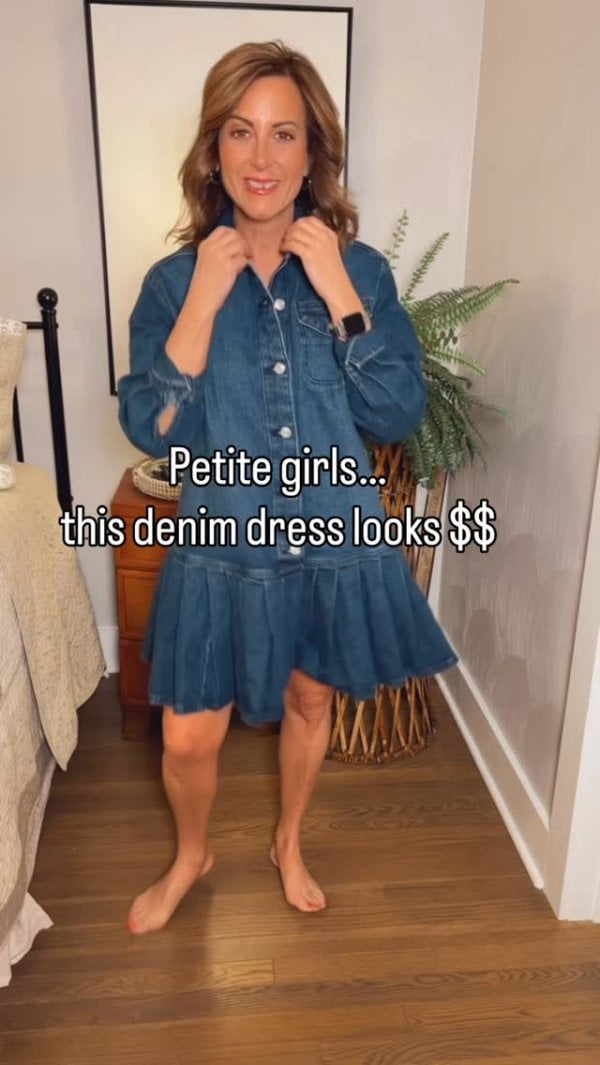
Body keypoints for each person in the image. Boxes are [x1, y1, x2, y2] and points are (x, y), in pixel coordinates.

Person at [118, 39, 458, 934]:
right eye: (240, 132)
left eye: (283, 134)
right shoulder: (172, 283)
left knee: (312, 697)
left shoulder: (362, 271)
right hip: (221, 542)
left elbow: (395, 410)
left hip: (329, 539)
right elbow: (154, 427)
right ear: (214, 151)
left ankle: (288, 839)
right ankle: (191, 854)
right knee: (189, 733)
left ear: (313, 155)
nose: (261, 157)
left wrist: (340, 289)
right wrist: (202, 300)